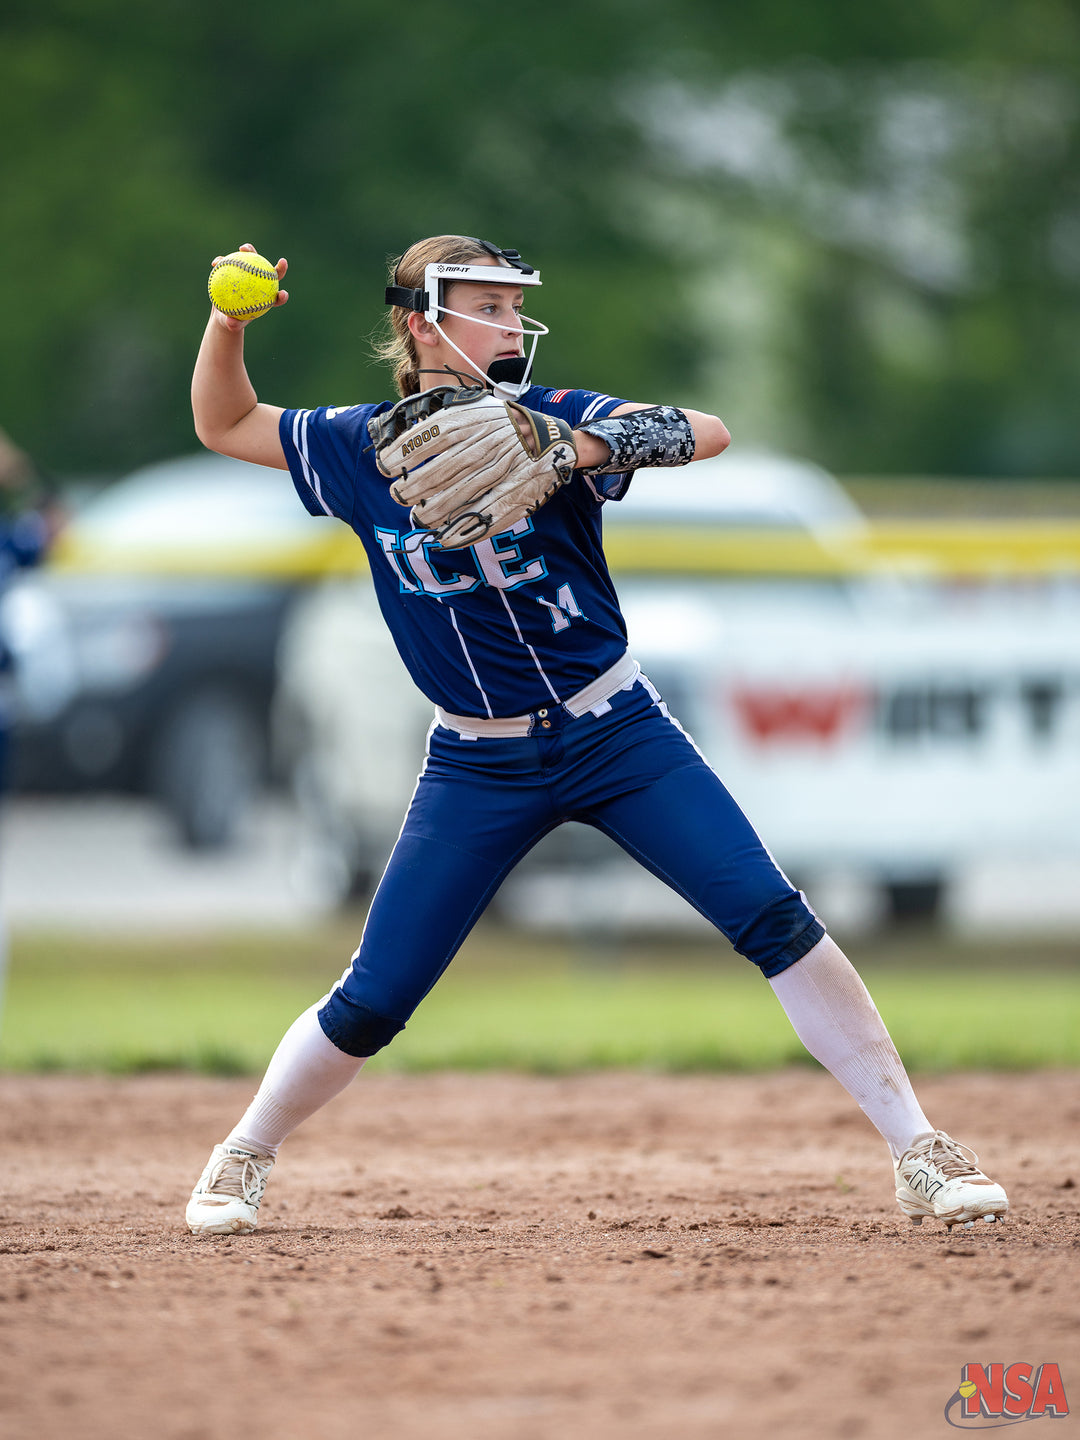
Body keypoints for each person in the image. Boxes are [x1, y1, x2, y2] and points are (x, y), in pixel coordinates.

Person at [185, 236, 1008, 1237]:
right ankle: (245, 1151)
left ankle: (919, 1147)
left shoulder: (556, 414)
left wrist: (568, 448)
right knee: (375, 997)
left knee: (774, 919)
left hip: (616, 732)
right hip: (476, 761)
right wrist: (228, 323)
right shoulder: (356, 445)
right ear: (421, 321)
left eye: (512, 305)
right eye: (486, 305)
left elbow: (705, 431)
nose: (510, 324)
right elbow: (225, 421)